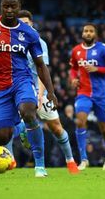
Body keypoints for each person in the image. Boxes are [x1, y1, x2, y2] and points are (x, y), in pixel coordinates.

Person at [0, 0, 58, 177]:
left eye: (13, 6)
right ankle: (21, 128)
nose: (9, 10)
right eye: (5, 6)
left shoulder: (29, 33)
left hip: (22, 80)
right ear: (0, 6)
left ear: (19, 7)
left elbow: (41, 65)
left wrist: (50, 91)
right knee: (2, 135)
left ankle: (40, 165)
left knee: (28, 111)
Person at [18, 10, 79, 174]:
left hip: (39, 90)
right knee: (12, 125)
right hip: (20, 90)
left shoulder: (39, 42)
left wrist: (39, 94)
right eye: (20, 22)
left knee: (57, 129)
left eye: (26, 23)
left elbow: (42, 70)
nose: (24, 25)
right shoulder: (12, 42)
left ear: (32, 24)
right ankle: (11, 158)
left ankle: (70, 160)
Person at [69, 23, 105, 170]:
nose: (88, 33)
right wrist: (73, 79)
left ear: (95, 34)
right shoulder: (76, 51)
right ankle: (84, 159)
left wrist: (97, 69)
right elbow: (73, 68)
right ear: (82, 33)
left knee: (104, 128)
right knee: (80, 121)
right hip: (83, 93)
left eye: (91, 31)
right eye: (86, 31)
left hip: (101, 95)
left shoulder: (103, 49)